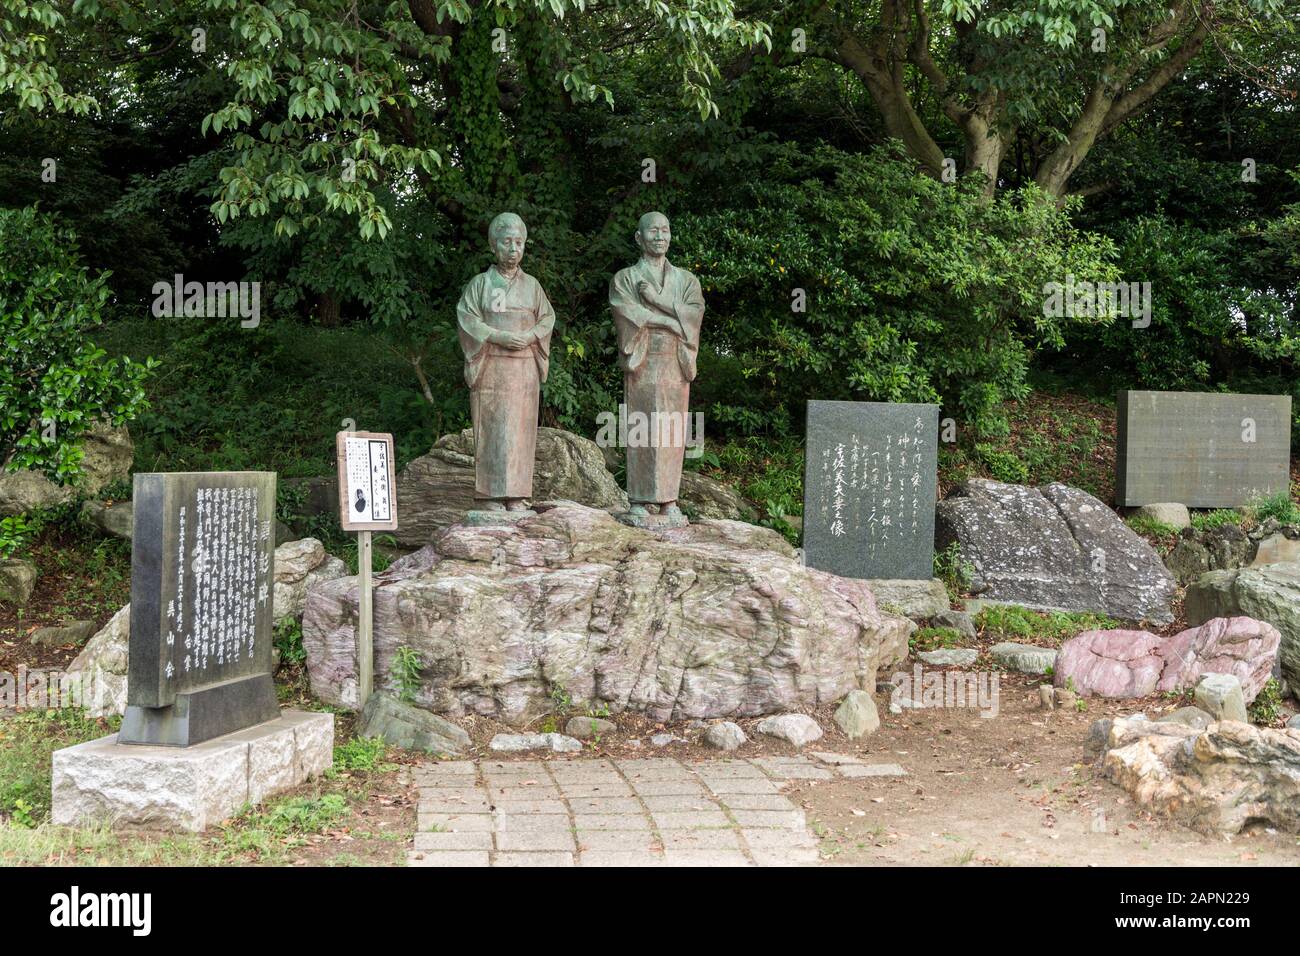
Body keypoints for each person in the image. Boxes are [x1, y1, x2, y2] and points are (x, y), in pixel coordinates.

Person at [456, 213, 556, 511]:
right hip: (491, 368)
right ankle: (490, 495)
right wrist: (498, 336)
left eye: (519, 242)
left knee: (521, 431)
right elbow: (466, 319)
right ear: (493, 246)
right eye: (506, 242)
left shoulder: (533, 286)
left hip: (524, 368)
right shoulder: (480, 284)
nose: (513, 249)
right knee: (493, 428)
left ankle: (518, 495)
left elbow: (548, 318)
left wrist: (530, 336)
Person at [609, 211, 705, 518]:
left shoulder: (687, 280)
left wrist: (657, 302)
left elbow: (694, 316)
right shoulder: (625, 278)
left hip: (675, 364)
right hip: (643, 361)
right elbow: (629, 315)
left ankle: (668, 501)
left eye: (665, 230)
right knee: (643, 428)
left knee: (671, 433)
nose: (660, 236)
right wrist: (672, 322)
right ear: (639, 237)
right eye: (653, 231)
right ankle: (639, 500)